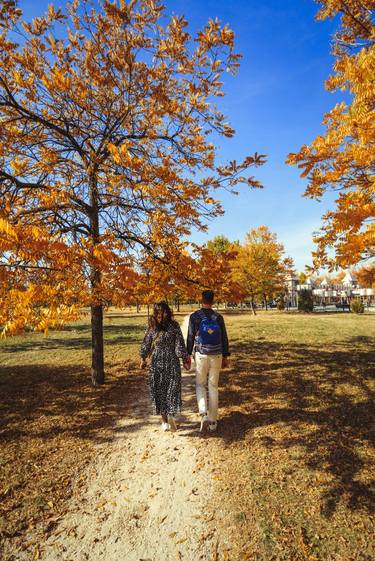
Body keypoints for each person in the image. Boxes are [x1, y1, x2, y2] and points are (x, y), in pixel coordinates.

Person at [140, 302, 191, 431]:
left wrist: (185, 359)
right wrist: (143, 358)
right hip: (157, 363)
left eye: (164, 312)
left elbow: (180, 344)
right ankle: (165, 420)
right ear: (155, 313)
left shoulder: (173, 326)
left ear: (168, 312)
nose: (162, 316)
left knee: (172, 389)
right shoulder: (152, 327)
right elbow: (146, 343)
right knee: (160, 391)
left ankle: (169, 416)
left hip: (170, 362)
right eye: (159, 313)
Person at [187, 290, 230, 433]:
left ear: (201, 300)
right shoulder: (218, 317)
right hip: (216, 355)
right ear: (213, 301)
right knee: (213, 387)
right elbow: (224, 338)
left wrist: (187, 354)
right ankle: (213, 422)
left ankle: (203, 414)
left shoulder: (195, 317)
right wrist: (225, 356)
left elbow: (190, 337)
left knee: (200, 385)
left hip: (201, 355)